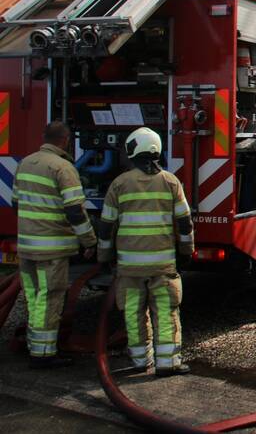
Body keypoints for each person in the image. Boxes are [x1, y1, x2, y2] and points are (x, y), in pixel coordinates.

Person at [97, 127, 194, 376]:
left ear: (132, 151)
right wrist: (186, 251)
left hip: (129, 268)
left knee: (132, 312)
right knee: (165, 311)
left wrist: (104, 257)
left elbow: (107, 226)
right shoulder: (171, 182)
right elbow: (185, 222)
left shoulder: (119, 184)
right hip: (163, 265)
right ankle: (167, 363)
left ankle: (140, 361)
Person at [13, 121, 96, 368]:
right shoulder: (63, 168)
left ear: (44, 137)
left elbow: (16, 202)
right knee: (49, 299)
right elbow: (75, 211)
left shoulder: (25, 163)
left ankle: (34, 345)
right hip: (51, 250)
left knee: (34, 298)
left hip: (27, 247)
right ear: (66, 140)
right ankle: (43, 354)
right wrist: (89, 241)